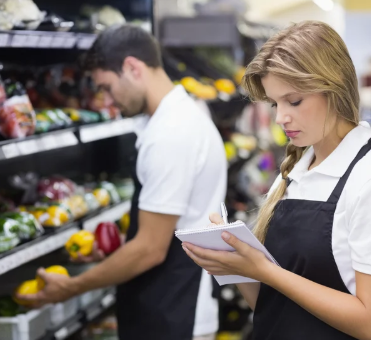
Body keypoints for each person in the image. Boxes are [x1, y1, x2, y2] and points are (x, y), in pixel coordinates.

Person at [19, 25, 227, 340]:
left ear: (132, 67)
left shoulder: (172, 133)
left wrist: (71, 288)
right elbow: (170, 226)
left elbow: (150, 250)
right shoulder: (183, 115)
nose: (107, 99)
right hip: (169, 306)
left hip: (175, 316)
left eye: (106, 86)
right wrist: (111, 250)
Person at [182, 20, 371, 340]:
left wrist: (267, 271)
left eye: (293, 101)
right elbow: (270, 306)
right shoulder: (294, 172)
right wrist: (237, 266)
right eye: (274, 103)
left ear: (334, 88)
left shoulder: (364, 177)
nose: (281, 117)